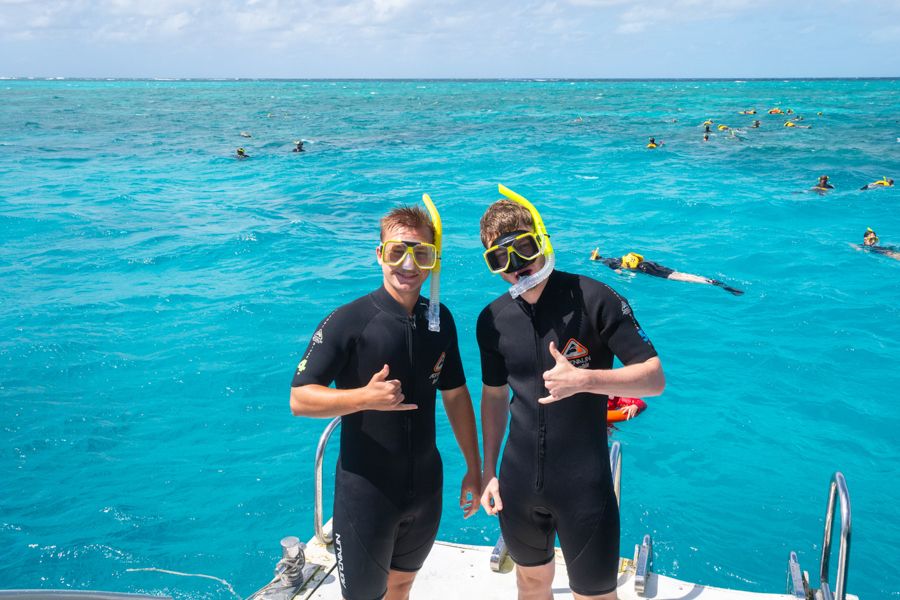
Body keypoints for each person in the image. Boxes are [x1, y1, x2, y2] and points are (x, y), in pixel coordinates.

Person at [478, 185, 665, 600]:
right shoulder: (491, 320)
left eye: (523, 249)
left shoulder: (595, 299)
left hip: (584, 485)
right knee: (530, 583)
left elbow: (653, 377)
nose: (516, 266)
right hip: (517, 481)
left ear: (542, 241)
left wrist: (585, 381)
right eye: (499, 259)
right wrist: (488, 471)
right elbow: (493, 397)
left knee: (595, 595)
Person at [290, 199, 481, 600]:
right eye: (397, 252)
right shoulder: (349, 320)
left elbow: (457, 394)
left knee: (402, 587)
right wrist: (363, 397)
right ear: (380, 255)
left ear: (433, 260)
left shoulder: (440, 319)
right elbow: (300, 398)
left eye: (421, 253)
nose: (408, 265)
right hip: (367, 493)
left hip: (426, 487)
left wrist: (474, 467)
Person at [591, 248, 744, 295]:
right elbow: (610, 262)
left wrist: (622, 275)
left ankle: (722, 286)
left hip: (665, 274)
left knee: (687, 278)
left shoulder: (622, 263)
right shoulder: (640, 263)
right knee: (690, 276)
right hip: (661, 268)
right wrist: (598, 257)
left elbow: (613, 266)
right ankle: (719, 284)